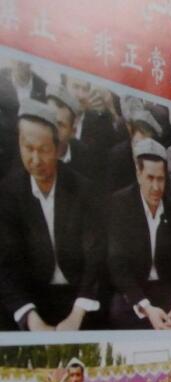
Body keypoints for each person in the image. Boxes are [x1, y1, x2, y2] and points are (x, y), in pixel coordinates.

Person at [0, 99, 104, 331]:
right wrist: (32, 319)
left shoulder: (83, 189)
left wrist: (77, 315)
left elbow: (95, 257)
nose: (35, 160)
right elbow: (6, 266)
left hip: (78, 297)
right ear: (19, 142)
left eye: (44, 150)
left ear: (57, 149)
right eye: (28, 148)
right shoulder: (8, 193)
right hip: (33, 297)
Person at [106, 138, 171, 330]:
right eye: (150, 178)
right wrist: (145, 307)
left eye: (160, 179)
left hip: (165, 288)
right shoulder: (119, 205)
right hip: (135, 290)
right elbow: (117, 265)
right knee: (117, 312)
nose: (156, 187)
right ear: (138, 174)